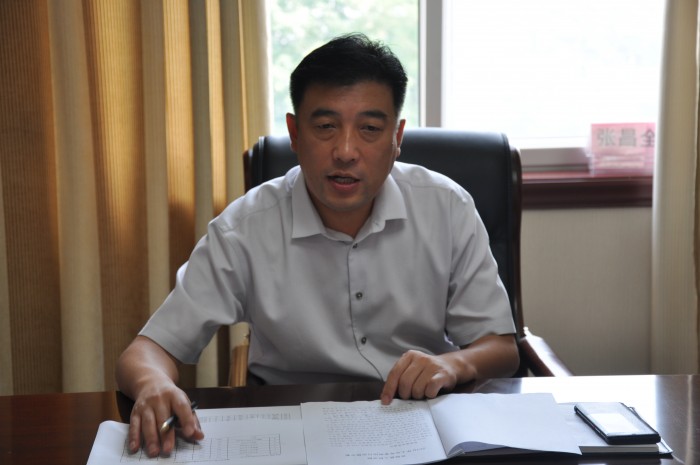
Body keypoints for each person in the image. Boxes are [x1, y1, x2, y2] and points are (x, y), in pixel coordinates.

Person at [116, 32, 519, 457]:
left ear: (397, 136)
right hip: (291, 430)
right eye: (325, 127)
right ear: (294, 132)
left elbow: (502, 348)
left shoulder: (446, 207)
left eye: (369, 129)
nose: (345, 151)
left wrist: (453, 364)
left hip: (420, 424)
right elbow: (146, 351)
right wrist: (153, 384)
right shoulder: (245, 228)